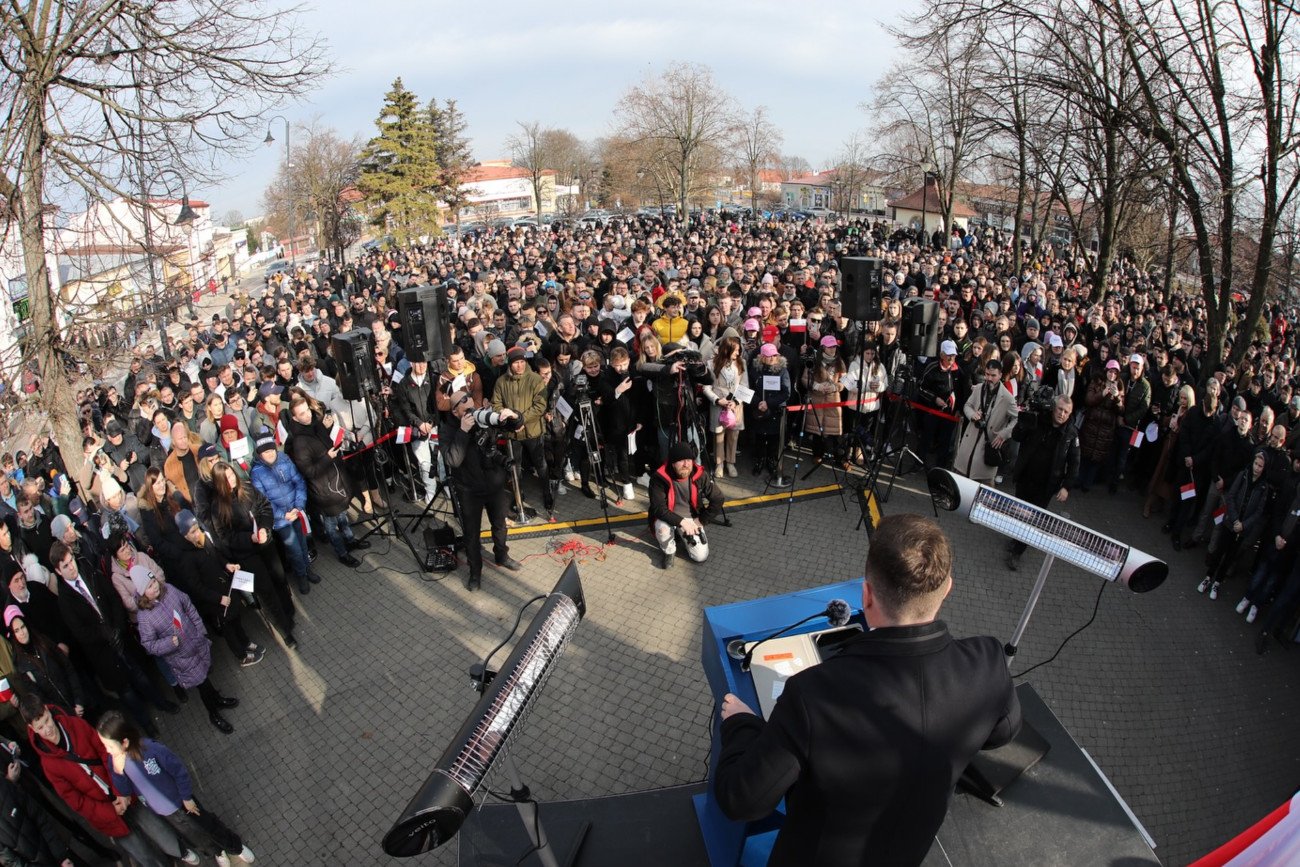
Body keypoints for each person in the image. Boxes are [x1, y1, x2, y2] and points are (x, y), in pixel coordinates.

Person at [712, 513, 1021, 866]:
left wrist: (742, 725)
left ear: (867, 596)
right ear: (948, 588)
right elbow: (1003, 733)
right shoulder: (988, 663)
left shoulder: (813, 695)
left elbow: (743, 800)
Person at [22, 697, 197, 867]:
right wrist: (109, 810)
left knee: (156, 828)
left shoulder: (76, 725)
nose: (47, 730)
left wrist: (120, 790)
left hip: (123, 791)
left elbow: (105, 752)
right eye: (40, 727)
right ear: (32, 728)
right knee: (141, 851)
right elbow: (76, 801)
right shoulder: (49, 765)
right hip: (105, 814)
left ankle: (179, 851)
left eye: (46, 721)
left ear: (47, 711)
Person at [96, 711, 256, 867]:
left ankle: (235, 846)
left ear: (124, 742)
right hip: (165, 812)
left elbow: (179, 772)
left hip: (182, 802)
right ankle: (217, 851)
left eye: (109, 745)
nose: (108, 751)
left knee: (208, 825)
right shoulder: (115, 762)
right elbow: (124, 791)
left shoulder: (151, 750)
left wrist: (186, 798)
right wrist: (117, 772)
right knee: (194, 836)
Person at [439, 390, 522, 591]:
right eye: (462, 401)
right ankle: (475, 573)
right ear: (455, 411)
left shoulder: (482, 417)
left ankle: (502, 555)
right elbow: (452, 460)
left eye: (468, 397)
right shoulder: (447, 429)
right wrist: (463, 431)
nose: (468, 401)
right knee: (471, 534)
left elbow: (514, 426)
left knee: (500, 524)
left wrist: (513, 416)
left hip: (493, 484)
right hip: (468, 490)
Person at [1006, 395, 1081, 570]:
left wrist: (1066, 486)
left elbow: (1075, 462)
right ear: (1054, 408)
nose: (1062, 414)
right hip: (1026, 477)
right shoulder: (1037, 420)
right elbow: (1017, 436)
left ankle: (1018, 550)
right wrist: (1024, 420)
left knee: (1033, 517)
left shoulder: (1071, 433)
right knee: (1019, 511)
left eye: (1066, 412)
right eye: (1060, 409)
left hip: (1046, 485)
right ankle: (1016, 538)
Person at [647, 442, 722, 570]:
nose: (686, 464)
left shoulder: (700, 475)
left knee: (700, 557)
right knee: (662, 529)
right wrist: (681, 522)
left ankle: (680, 535)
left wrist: (700, 520)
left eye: (689, 460)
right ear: (672, 463)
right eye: (681, 461)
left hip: (691, 519)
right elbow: (658, 509)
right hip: (667, 516)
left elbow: (718, 499)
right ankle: (669, 551)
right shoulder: (658, 478)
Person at [954, 358, 1018, 482]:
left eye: (993, 375)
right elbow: (967, 405)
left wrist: (1004, 434)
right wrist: (972, 415)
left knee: (981, 484)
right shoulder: (978, 388)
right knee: (960, 478)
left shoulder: (1007, 397)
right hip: (970, 439)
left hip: (988, 445)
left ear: (1000, 375)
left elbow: (1017, 418)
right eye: (987, 374)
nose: (989, 378)